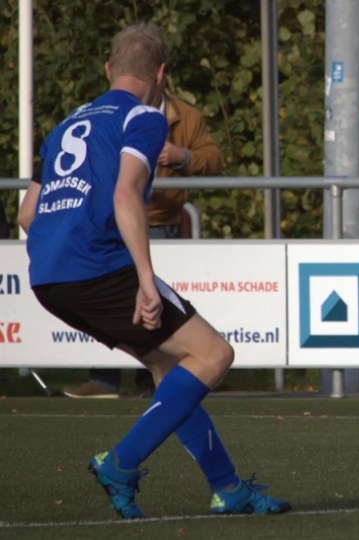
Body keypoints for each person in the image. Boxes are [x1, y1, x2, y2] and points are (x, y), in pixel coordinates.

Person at [17, 23, 291, 518]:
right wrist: (145, 280)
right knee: (214, 355)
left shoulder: (64, 126)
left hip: (48, 277)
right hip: (98, 265)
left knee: (170, 368)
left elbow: (26, 215)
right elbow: (125, 194)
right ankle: (120, 463)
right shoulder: (144, 116)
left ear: (108, 69)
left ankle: (228, 489)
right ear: (162, 72)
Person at [63, 70, 225, 400]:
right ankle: (104, 379)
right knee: (120, 306)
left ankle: (150, 382)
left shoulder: (185, 116)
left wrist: (181, 156)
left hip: (161, 224)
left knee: (154, 309)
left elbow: (214, 159)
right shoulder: (108, 115)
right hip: (113, 225)